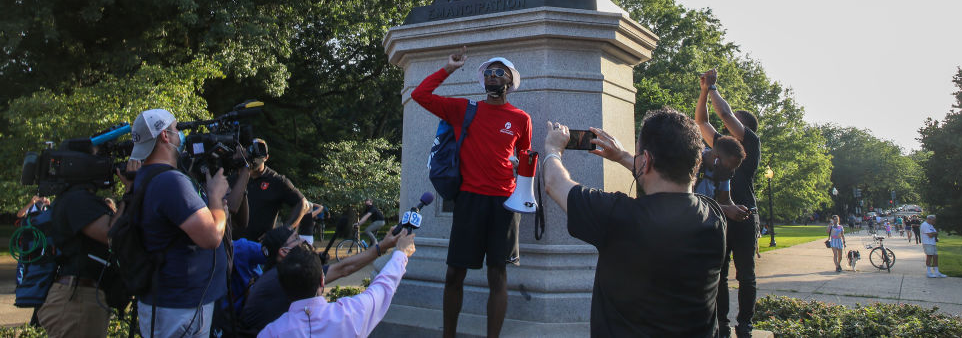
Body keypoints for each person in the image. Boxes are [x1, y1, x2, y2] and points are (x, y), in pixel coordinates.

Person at [543, 110, 727, 336]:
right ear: (696, 162)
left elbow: (554, 182)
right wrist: (623, 156)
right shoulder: (714, 217)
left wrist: (553, 150)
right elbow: (658, 172)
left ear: (646, 160)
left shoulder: (618, 217)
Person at [410, 46, 532, 338]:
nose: (492, 77)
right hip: (469, 200)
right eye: (488, 73)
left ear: (509, 81)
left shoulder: (520, 118)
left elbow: (526, 158)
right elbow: (420, 95)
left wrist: (526, 185)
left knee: (497, 275)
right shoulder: (465, 109)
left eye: (498, 72)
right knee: (454, 274)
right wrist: (448, 67)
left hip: (505, 204)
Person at [129, 108, 229, 338]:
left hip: (169, 301)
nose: (179, 135)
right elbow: (212, 236)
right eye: (176, 129)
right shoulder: (171, 182)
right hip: (179, 307)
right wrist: (215, 197)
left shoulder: (146, 177)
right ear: (165, 136)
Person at [239, 226, 404, 337]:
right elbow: (344, 269)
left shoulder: (272, 329)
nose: (304, 241)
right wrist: (394, 250)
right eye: (296, 238)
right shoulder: (346, 317)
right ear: (321, 280)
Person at [695, 69, 761, 338]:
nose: (724, 129)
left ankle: (744, 323)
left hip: (744, 216)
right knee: (718, 274)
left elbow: (724, 114)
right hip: (722, 215)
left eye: (732, 125)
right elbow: (701, 121)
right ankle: (721, 323)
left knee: (745, 274)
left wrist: (712, 88)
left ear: (743, 129)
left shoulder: (750, 145)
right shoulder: (722, 147)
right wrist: (702, 92)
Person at [36, 159, 132, 338]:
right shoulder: (77, 199)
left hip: (81, 296)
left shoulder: (76, 198)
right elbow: (111, 234)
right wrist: (129, 190)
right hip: (77, 300)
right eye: (99, 158)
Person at [230, 139, 310, 243]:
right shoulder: (235, 178)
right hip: (233, 245)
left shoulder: (276, 180)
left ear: (266, 157)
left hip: (260, 247)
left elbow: (303, 204)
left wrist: (283, 230)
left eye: (258, 156)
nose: (253, 160)